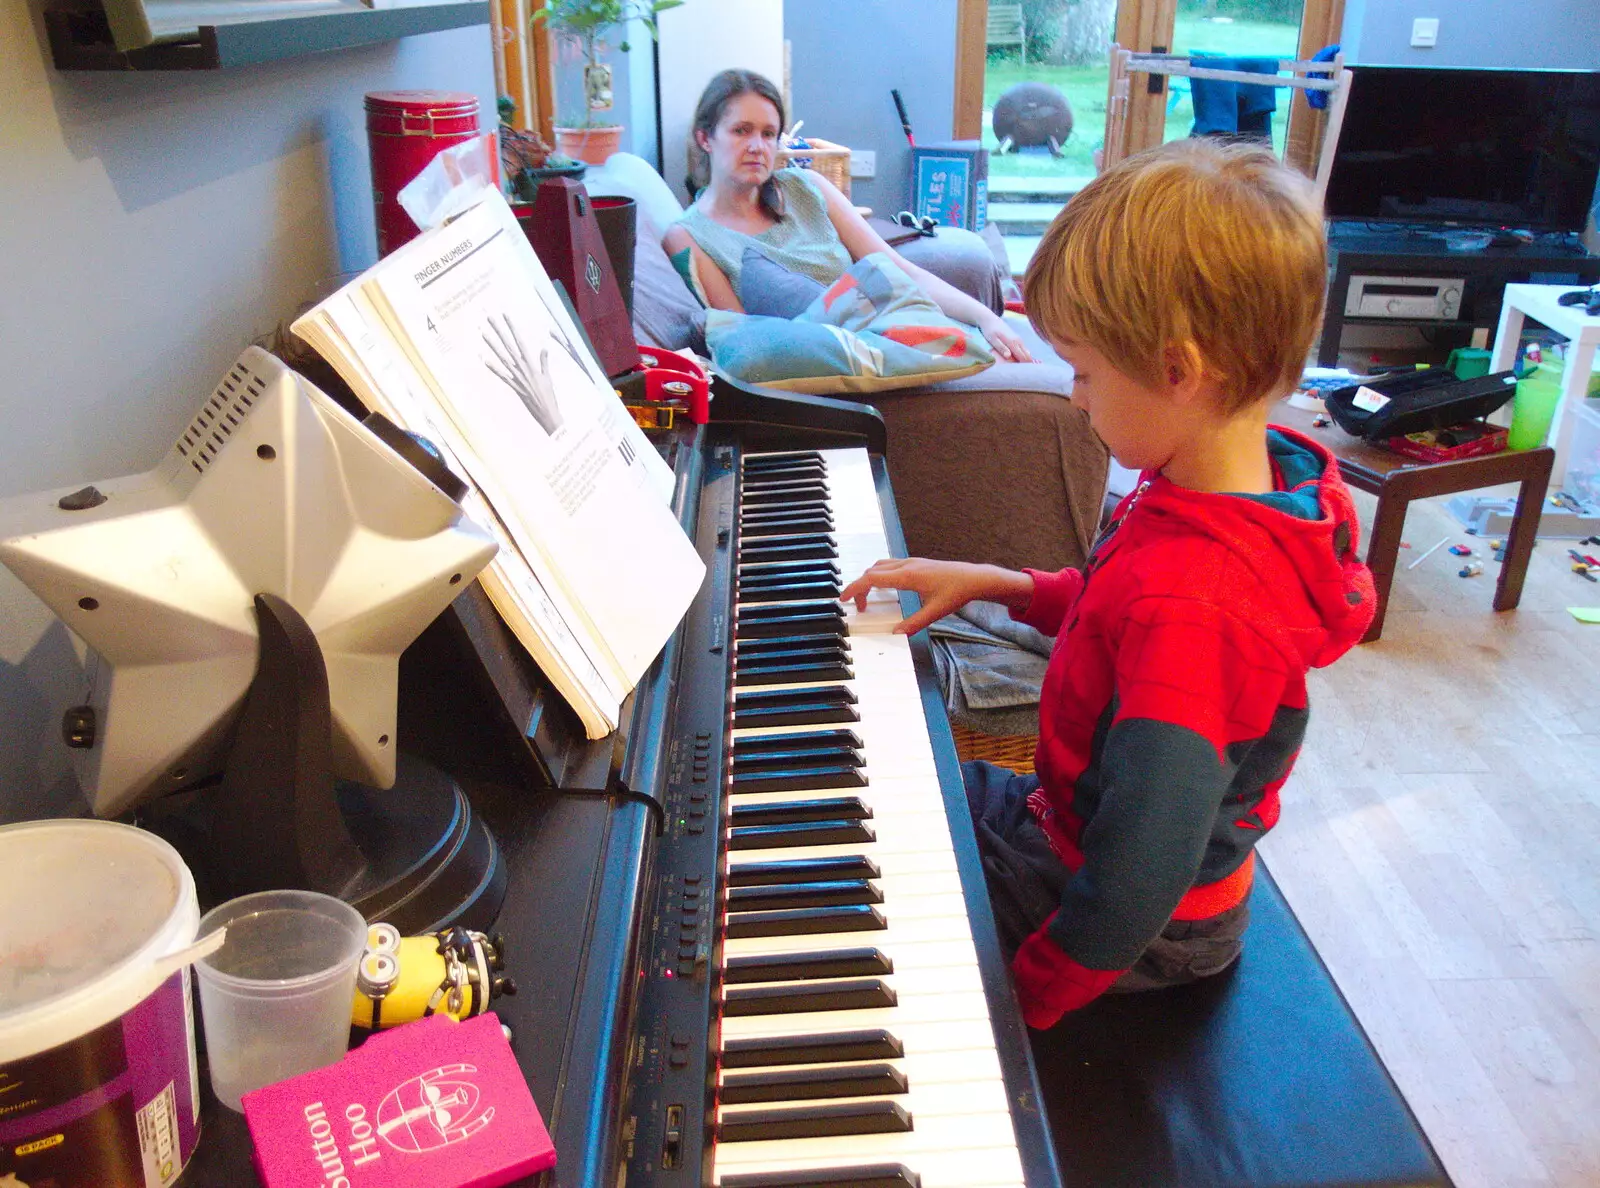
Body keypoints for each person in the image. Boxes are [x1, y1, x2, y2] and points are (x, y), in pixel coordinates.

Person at [840, 138, 1377, 1029]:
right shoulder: (1232, 488)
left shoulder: (1199, 607)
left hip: (1131, 922)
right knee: (900, 790)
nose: (1076, 397)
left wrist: (1018, 1011)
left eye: (1085, 372)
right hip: (1069, 819)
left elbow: (1138, 876)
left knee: (887, 949)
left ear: (1178, 370)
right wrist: (997, 582)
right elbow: (1115, 612)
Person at [662, 69, 1032, 362]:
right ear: (705, 138)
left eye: (769, 133)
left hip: (897, 327)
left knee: (1010, 352)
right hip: (838, 367)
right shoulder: (689, 237)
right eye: (741, 131)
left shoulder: (808, 188)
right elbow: (749, 340)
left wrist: (986, 318)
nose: (758, 147)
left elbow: (897, 269)